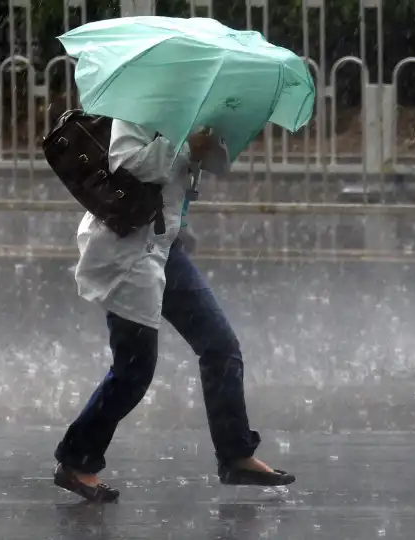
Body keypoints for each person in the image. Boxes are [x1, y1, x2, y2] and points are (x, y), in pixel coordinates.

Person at [52, 119, 295, 502]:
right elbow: (126, 161)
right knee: (134, 369)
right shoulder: (136, 105)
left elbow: (211, 166)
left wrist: (209, 144)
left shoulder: (192, 104)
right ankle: (75, 461)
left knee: (219, 345)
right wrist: (184, 148)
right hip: (128, 248)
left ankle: (236, 454)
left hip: (165, 246)